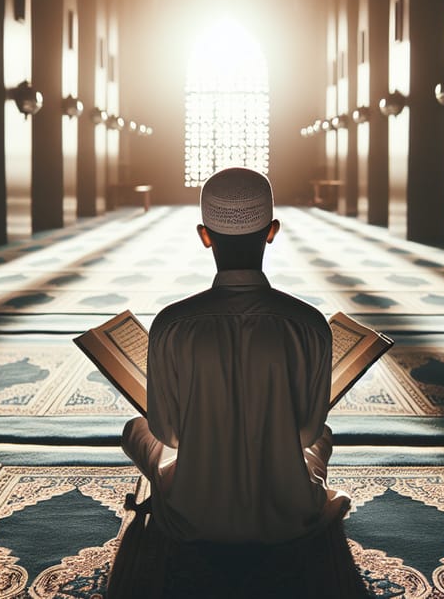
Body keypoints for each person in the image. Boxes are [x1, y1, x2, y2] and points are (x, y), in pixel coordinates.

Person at [121, 166, 349, 545]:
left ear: (204, 236)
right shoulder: (309, 325)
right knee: (322, 437)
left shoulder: (172, 324)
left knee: (135, 430)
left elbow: (169, 435)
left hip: (192, 516)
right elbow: (307, 431)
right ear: (272, 232)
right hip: (289, 515)